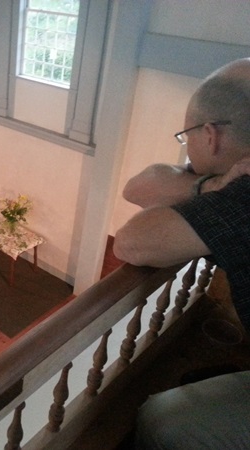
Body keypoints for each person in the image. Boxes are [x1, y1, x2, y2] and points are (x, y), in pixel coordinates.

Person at [112, 58, 250, 449]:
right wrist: (214, 184)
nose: (186, 147)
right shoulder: (231, 183)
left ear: (211, 135)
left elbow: (130, 242)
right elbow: (140, 187)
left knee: (162, 420)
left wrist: (219, 188)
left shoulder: (244, 199)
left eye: (186, 136)